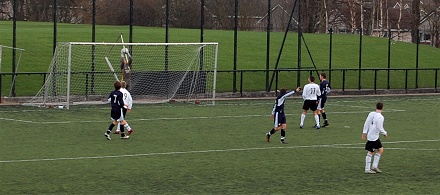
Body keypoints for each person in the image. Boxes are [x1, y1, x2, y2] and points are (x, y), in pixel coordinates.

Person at [362, 102, 388, 174]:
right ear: (382, 108)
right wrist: (384, 133)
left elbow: (366, 123)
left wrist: (364, 132)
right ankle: (367, 169)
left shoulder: (371, 114)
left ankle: (374, 166)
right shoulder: (380, 117)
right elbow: (379, 127)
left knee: (380, 149)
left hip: (373, 136)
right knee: (370, 152)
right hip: (373, 137)